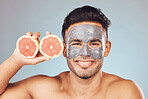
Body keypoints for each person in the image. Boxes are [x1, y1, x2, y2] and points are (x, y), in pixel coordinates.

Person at [0, 5, 144, 99]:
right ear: (63, 49)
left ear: (106, 49)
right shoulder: (42, 91)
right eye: (76, 43)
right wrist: (16, 60)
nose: (85, 53)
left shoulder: (125, 92)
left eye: (94, 43)